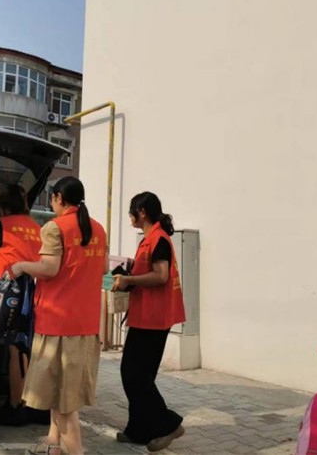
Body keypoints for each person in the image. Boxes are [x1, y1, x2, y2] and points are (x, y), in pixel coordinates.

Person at [12, 176, 108, 455]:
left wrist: (21, 266)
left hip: (57, 324)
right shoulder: (98, 228)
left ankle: (74, 450)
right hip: (86, 323)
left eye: (53, 198)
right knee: (60, 394)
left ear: (58, 198)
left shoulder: (55, 228)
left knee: (64, 404)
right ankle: (53, 446)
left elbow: (49, 268)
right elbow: (103, 268)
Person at [112, 191, 186, 452]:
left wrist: (129, 280)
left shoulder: (159, 239)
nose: (130, 216)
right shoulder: (150, 238)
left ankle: (168, 424)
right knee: (139, 375)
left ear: (142, 212)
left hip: (154, 318)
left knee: (134, 375)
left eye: (132, 211)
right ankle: (139, 429)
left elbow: (161, 275)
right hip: (146, 315)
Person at [0, 185, 48, 426]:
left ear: (3, 208)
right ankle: (31, 403)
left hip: (10, 291)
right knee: (28, 348)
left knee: (15, 350)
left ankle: (16, 404)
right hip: (35, 290)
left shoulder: (0, 225)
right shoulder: (36, 227)